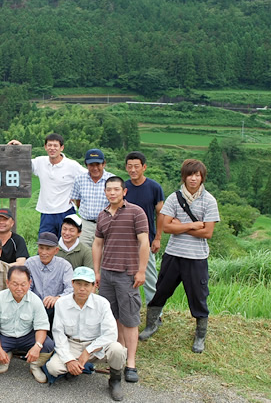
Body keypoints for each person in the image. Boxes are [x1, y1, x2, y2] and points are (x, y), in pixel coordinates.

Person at [139, 159, 219, 354]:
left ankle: (200, 335)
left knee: (199, 296)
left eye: (197, 175)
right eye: (190, 175)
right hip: (173, 255)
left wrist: (179, 226)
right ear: (184, 177)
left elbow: (208, 232)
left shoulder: (209, 200)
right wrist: (192, 225)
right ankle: (151, 324)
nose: (193, 178)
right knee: (161, 291)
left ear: (202, 177)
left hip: (196, 257)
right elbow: (166, 227)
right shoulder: (174, 198)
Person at [92, 176, 149, 383]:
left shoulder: (136, 212)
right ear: (105, 192)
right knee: (112, 319)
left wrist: (141, 271)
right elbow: (97, 244)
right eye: (109, 190)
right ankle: (119, 358)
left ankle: (131, 364)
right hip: (106, 274)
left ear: (124, 192)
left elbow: (144, 243)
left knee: (130, 320)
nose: (112, 193)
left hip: (127, 274)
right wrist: (96, 272)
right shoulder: (103, 215)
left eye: (116, 189)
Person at [45, 267, 128, 401]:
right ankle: (75, 368)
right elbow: (58, 334)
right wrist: (69, 359)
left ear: (94, 286)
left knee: (117, 349)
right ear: (72, 283)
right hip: (72, 344)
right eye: (78, 284)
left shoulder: (102, 303)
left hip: (96, 345)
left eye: (86, 285)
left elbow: (110, 334)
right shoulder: (61, 303)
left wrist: (88, 351)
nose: (82, 289)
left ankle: (115, 380)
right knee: (53, 368)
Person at [0, 265, 55, 383]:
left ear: (29, 283)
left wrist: (37, 346)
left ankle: (35, 366)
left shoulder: (35, 300)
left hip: (27, 336)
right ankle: (5, 356)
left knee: (47, 345)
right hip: (5, 336)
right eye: (15, 284)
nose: (19, 288)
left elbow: (41, 327)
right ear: (7, 283)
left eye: (23, 284)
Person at [8, 133, 85, 238]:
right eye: (49, 145)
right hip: (46, 212)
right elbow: (25, 164)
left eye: (55, 146)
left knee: (67, 244)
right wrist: (20, 148)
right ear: (45, 147)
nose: (52, 148)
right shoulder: (40, 162)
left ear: (61, 148)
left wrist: (77, 195)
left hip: (66, 211)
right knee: (45, 244)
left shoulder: (72, 165)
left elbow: (87, 178)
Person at [124, 151, 165, 308]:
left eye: (136, 166)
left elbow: (160, 213)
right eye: (129, 166)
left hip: (146, 241)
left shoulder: (154, 187)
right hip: (126, 241)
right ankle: (130, 309)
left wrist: (158, 238)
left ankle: (155, 314)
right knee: (126, 278)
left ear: (144, 167)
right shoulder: (124, 187)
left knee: (149, 278)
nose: (133, 170)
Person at [25, 232, 73, 327]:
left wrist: (57, 298)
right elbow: (26, 288)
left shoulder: (65, 266)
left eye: (48, 249)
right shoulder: (30, 263)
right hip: (33, 307)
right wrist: (35, 302)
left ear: (56, 250)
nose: (43, 252)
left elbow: (71, 289)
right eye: (41, 248)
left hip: (56, 309)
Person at [71, 148, 115, 246]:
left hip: (107, 223)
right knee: (84, 253)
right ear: (86, 165)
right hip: (86, 225)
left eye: (98, 165)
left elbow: (117, 204)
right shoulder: (79, 180)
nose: (95, 168)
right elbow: (78, 201)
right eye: (91, 165)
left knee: (105, 254)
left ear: (103, 164)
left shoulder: (112, 180)